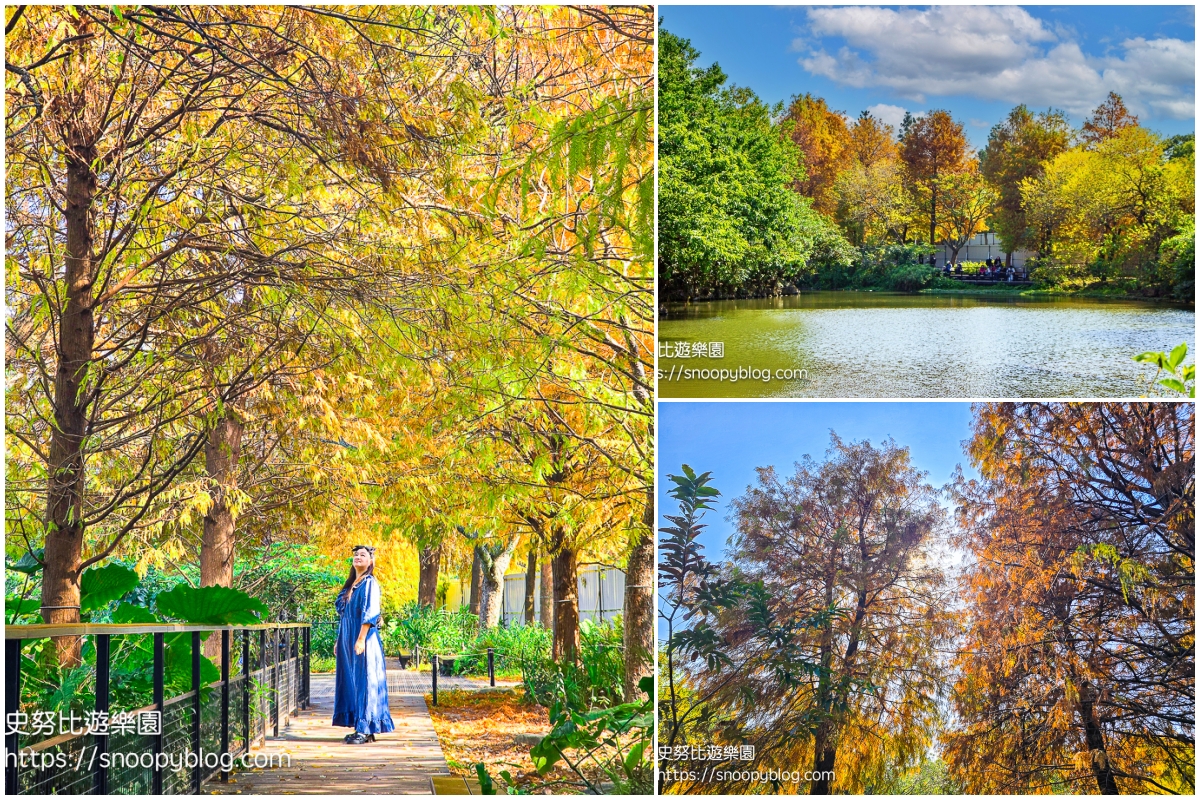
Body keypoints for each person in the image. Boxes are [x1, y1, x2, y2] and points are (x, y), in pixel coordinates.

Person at [333, 545, 394, 744]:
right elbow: (345, 616)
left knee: (366, 682)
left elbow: (370, 612)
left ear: (370, 561)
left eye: (363, 555)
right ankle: (360, 727)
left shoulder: (369, 583)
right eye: (355, 555)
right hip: (347, 638)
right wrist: (339, 640)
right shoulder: (351, 584)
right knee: (352, 682)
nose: (358, 557)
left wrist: (360, 639)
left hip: (364, 639)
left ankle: (366, 728)